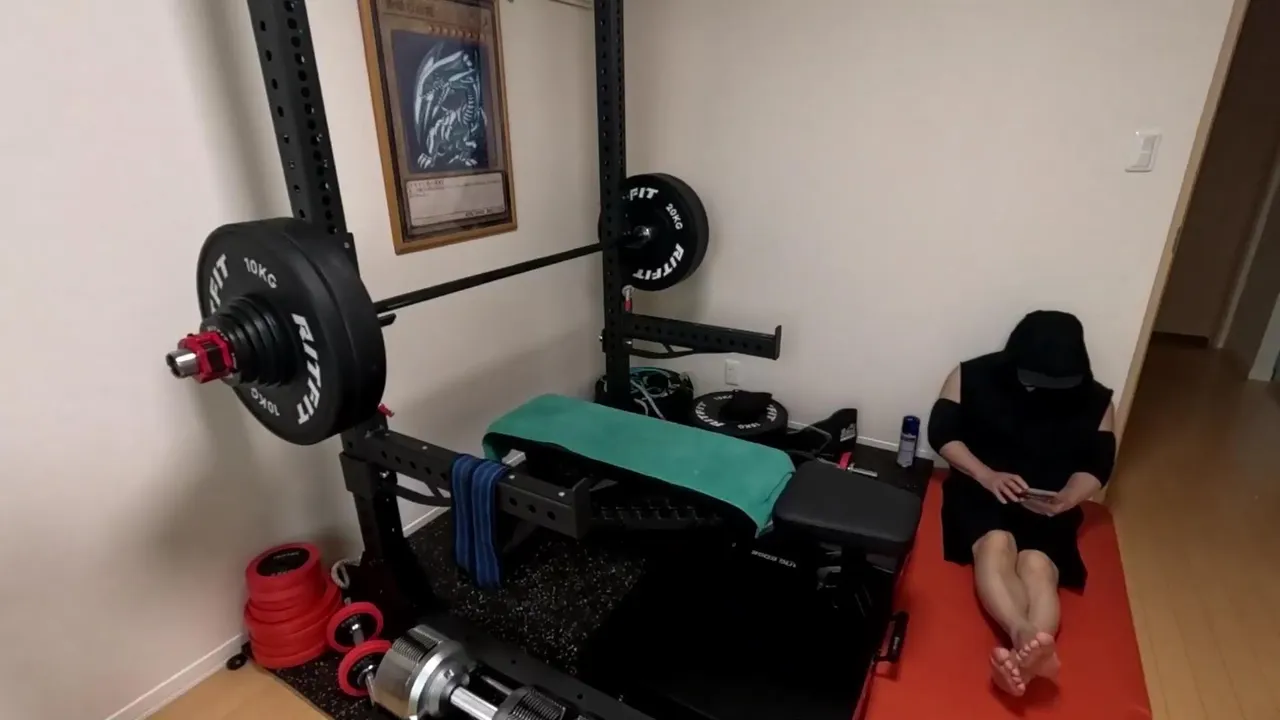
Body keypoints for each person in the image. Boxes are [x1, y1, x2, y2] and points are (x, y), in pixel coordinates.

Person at [927, 310, 1116, 697]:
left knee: (1038, 565)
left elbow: (1097, 466)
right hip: (981, 489)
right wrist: (987, 475)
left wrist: (1068, 498)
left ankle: (1023, 659)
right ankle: (1024, 635)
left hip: (1047, 502)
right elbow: (942, 434)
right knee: (996, 544)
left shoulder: (1096, 399)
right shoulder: (972, 375)